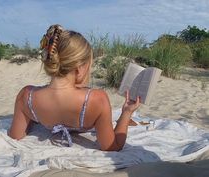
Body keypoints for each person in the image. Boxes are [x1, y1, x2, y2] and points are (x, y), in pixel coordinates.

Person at [8, 24, 141, 151]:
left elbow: (15, 136)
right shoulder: (96, 100)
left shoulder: (27, 96)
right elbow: (112, 146)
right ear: (80, 68)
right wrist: (127, 113)